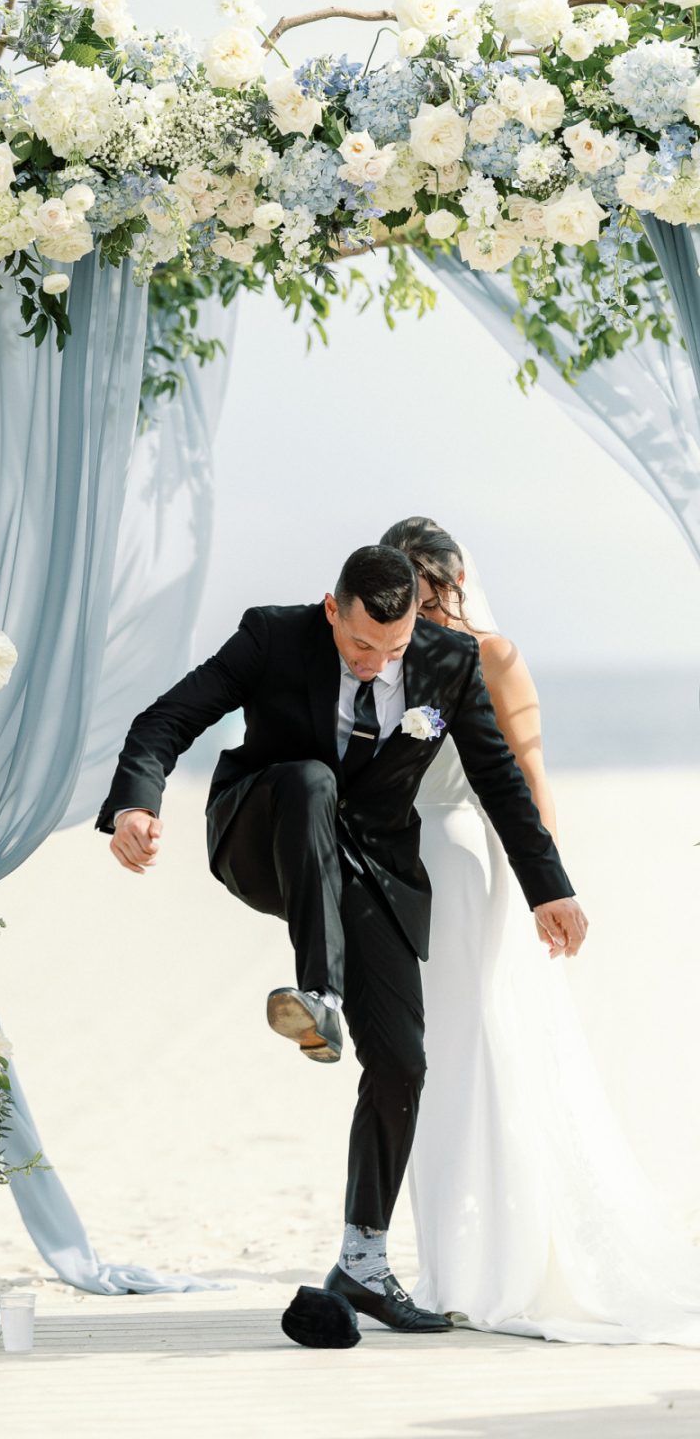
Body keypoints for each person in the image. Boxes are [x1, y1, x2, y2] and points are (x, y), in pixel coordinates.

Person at [98, 545, 588, 1334]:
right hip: (269, 829)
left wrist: (550, 887)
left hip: (371, 865)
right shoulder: (274, 637)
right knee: (311, 780)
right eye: (361, 645)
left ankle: (362, 1261)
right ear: (333, 608)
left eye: (391, 652)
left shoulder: (448, 663)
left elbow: (497, 775)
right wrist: (134, 805)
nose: (374, 665)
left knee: (401, 1059)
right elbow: (168, 719)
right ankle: (317, 993)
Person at [384, 517, 700, 1344]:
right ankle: (448, 1263)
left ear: (455, 584)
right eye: (414, 596)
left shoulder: (493, 655)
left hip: (464, 861)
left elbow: (528, 776)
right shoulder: (380, 656)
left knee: (466, 1051)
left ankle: (478, 1267)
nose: (428, 610)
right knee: (426, 1059)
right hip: (392, 867)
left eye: (436, 593)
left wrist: (546, 889)